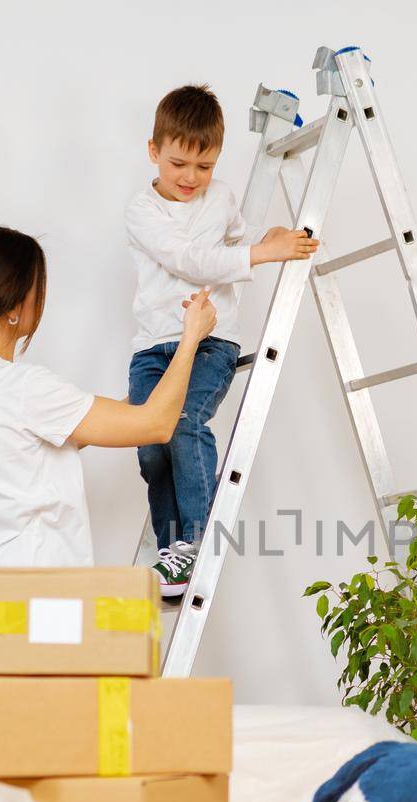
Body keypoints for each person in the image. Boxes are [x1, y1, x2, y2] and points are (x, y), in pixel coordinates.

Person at [0, 223, 216, 676]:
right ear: (16, 308)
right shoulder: (25, 390)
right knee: (71, 744)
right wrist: (191, 338)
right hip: (20, 613)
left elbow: (114, 414)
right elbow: (154, 424)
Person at [123, 84, 318, 597]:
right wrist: (259, 256)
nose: (191, 178)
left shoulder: (221, 197)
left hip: (211, 342)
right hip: (153, 350)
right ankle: (171, 549)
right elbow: (188, 260)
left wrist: (264, 240)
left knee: (185, 421)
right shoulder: (142, 211)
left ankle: (194, 541)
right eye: (178, 164)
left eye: (203, 167)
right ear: (154, 152)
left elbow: (233, 240)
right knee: (149, 442)